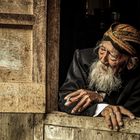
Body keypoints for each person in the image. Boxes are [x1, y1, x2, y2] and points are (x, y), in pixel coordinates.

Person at [58, 22, 140, 130]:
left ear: (130, 63)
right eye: (102, 49)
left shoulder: (137, 78)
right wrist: (101, 108)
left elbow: (127, 115)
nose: (102, 59)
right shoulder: (82, 58)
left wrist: (101, 98)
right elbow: (66, 99)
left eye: (112, 56)